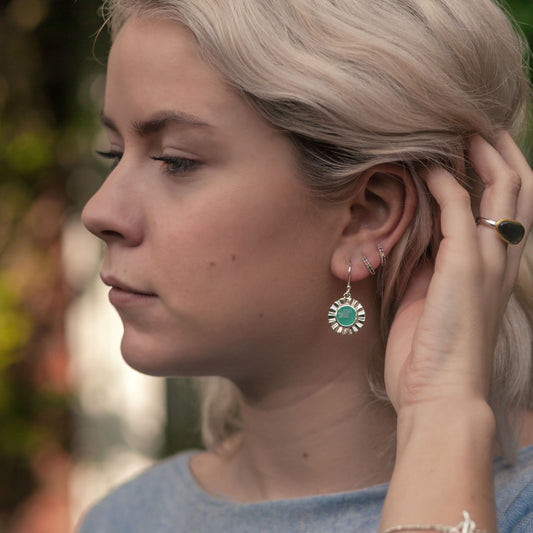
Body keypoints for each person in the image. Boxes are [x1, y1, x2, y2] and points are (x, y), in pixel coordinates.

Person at [79, 0, 533, 531]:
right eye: (113, 153)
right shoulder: (125, 518)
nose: (100, 212)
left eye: (176, 161)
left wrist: (442, 412)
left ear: (366, 216)